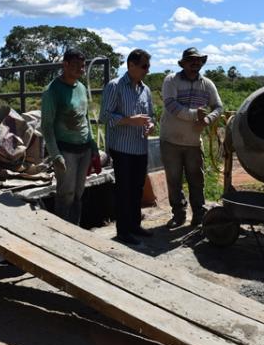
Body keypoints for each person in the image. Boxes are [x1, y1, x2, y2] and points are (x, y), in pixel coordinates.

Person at [160, 47, 223, 228]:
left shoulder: (207, 84)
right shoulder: (171, 80)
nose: (195, 64)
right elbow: (171, 105)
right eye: (191, 61)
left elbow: (218, 107)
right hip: (171, 139)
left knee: (197, 180)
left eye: (198, 61)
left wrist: (207, 120)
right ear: (183, 63)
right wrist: (196, 115)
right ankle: (178, 215)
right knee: (174, 180)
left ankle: (198, 216)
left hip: (194, 142)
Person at [99, 49, 155, 245]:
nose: (147, 70)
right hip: (122, 148)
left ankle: (134, 225)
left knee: (137, 189)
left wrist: (150, 124)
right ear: (131, 65)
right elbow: (104, 116)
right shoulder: (115, 86)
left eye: (148, 66)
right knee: (124, 190)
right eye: (144, 66)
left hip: (140, 147)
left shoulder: (145, 90)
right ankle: (123, 231)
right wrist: (130, 120)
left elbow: (151, 115)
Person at [41, 48, 101, 226]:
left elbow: (85, 119)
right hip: (65, 151)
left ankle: (75, 229)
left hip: (84, 150)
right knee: (65, 194)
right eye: (76, 65)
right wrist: (55, 155)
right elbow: (46, 126)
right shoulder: (52, 90)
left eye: (83, 66)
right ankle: (62, 233)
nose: (81, 70)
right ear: (64, 65)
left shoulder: (81, 88)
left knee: (78, 194)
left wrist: (93, 145)